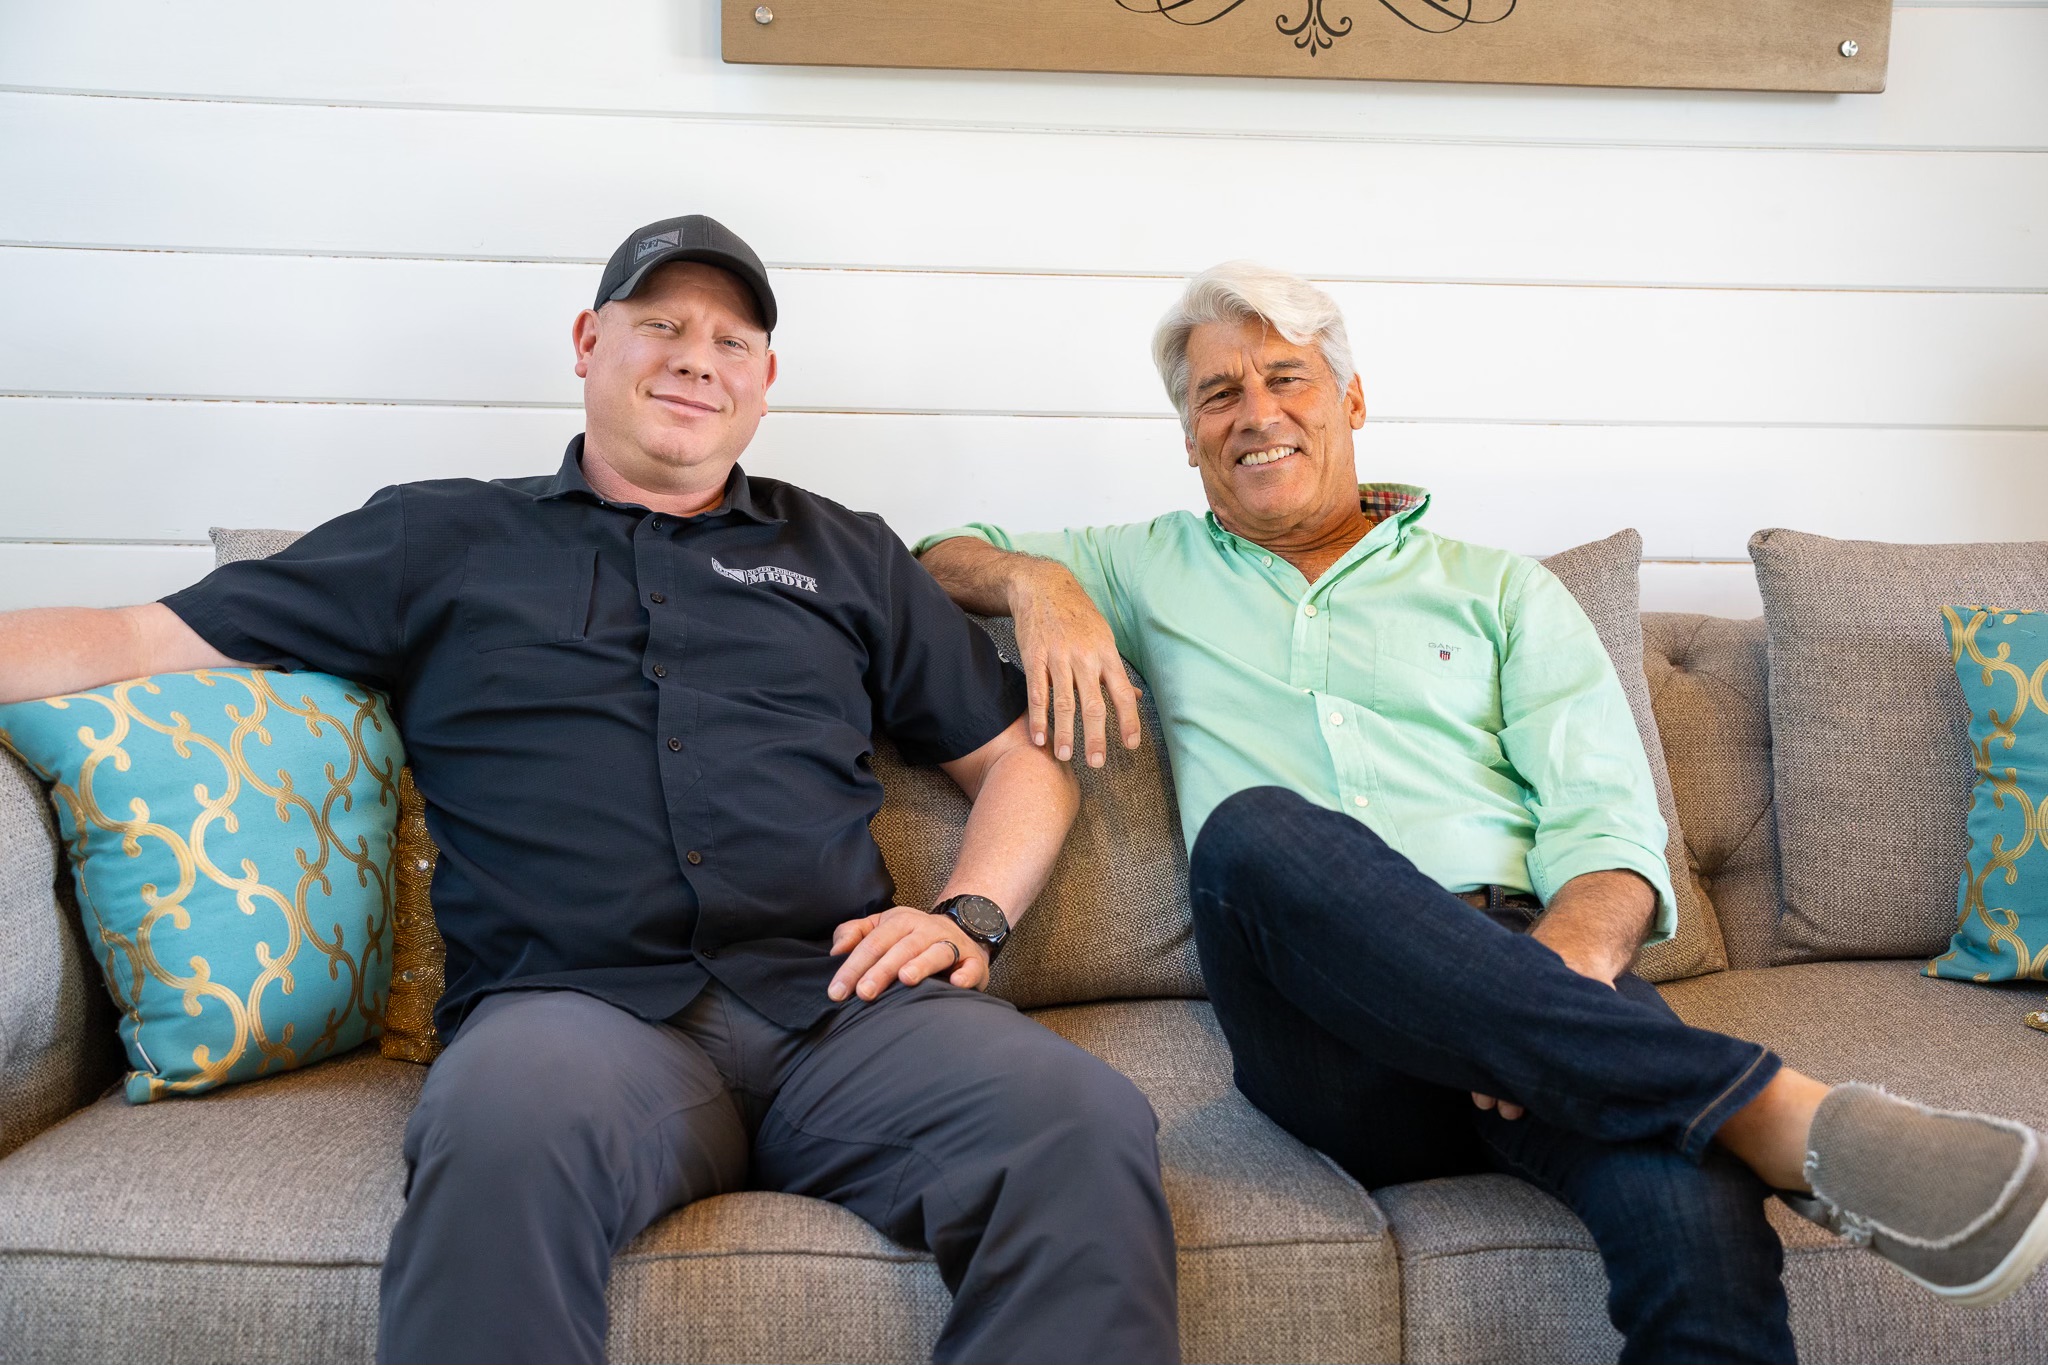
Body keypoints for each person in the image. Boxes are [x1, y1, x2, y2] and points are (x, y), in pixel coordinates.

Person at [0, 216, 1180, 1365]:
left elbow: (1017, 756)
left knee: (1078, 1125)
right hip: (573, 1020)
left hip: (841, 1009)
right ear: (586, 341)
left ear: (764, 381)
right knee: (501, 1134)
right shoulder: (441, 534)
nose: (693, 361)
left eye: (729, 344)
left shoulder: (844, 553)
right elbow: (136, 636)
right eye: (660, 325)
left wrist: (967, 915)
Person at [915, 260, 2048, 1364]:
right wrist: (1035, 583)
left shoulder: (1503, 589)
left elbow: (1607, 832)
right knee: (1256, 828)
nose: (1254, 411)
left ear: (1350, 400)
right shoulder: (1146, 564)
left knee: (1684, 1198)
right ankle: (1782, 1117)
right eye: (1218, 393)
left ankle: (1700, 1112)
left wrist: (1543, 985)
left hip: (1537, 968)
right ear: (1189, 434)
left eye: (1285, 377)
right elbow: (919, 559)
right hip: (1320, 1026)